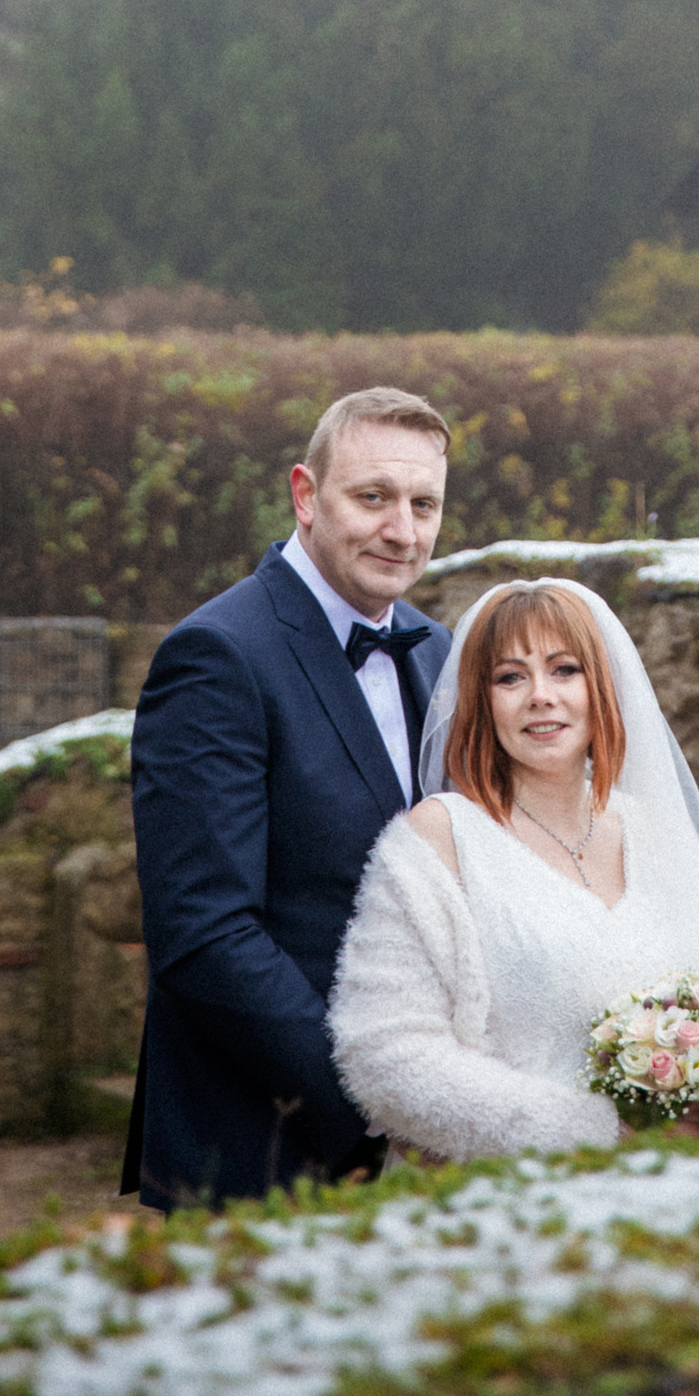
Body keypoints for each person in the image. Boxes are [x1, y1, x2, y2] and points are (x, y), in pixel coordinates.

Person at [121, 384, 454, 1210]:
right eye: (372, 497)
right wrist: (375, 1102)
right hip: (264, 1146)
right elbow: (204, 934)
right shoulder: (217, 656)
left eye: (423, 504)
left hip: (434, 1135)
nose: (402, 530)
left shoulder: (439, 651)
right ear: (306, 496)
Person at [328, 577, 699, 1162]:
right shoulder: (440, 839)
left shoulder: (653, 832)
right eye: (510, 677)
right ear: (481, 700)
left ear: (600, 686)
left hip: (687, 1186)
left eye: (564, 670)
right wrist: (598, 1133)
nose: (541, 696)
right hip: (517, 1194)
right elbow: (386, 1056)